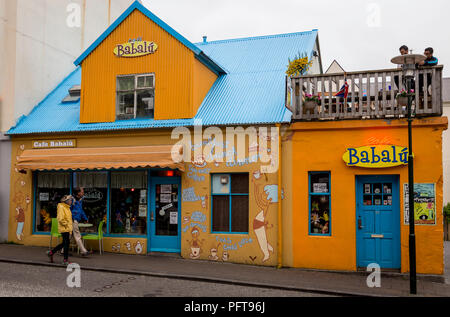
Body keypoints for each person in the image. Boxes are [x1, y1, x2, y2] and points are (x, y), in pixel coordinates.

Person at [46, 195, 74, 265]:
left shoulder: (67, 207)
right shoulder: (62, 207)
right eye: (70, 200)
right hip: (64, 228)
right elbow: (61, 218)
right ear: (66, 201)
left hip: (67, 228)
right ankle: (65, 260)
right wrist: (66, 225)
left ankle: (51, 252)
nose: (71, 201)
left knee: (64, 243)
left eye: (71, 200)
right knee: (66, 244)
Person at [71, 188, 91, 256]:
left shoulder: (80, 200)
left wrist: (85, 218)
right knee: (77, 235)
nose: (83, 193)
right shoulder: (72, 200)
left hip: (75, 220)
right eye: (82, 192)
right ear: (78, 193)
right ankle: (83, 251)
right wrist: (72, 218)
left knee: (68, 237)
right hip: (72, 220)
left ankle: (62, 251)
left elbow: (81, 210)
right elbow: (68, 210)